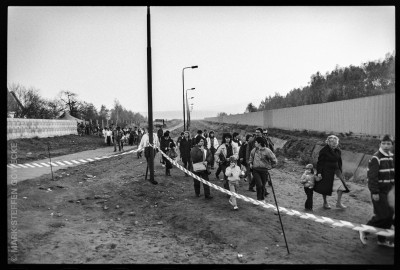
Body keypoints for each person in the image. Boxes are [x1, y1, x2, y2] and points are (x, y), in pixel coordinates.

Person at [359, 134, 395, 248]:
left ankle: (382, 239)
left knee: (390, 216)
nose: (385, 146)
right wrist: (374, 192)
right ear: (380, 144)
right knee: (382, 215)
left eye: (388, 143)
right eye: (383, 143)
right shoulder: (376, 158)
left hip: (390, 192)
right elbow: (372, 177)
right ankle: (364, 230)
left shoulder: (392, 157)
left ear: (392, 145)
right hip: (379, 191)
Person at [314, 135, 350, 209]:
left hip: (336, 171)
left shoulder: (338, 150)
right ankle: (325, 203)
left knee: (341, 186)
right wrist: (319, 173)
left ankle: (338, 203)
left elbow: (339, 161)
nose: (335, 145)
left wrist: (340, 171)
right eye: (333, 144)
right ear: (328, 143)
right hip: (326, 171)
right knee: (325, 188)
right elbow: (320, 163)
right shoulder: (324, 151)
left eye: (336, 143)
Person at [248, 137, 277, 203]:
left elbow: (274, 160)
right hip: (255, 170)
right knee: (259, 185)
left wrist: (271, 166)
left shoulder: (267, 151)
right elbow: (251, 157)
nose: (255, 143)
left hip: (264, 171)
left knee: (263, 185)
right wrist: (250, 164)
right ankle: (258, 199)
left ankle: (262, 198)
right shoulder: (254, 150)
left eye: (256, 142)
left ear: (259, 143)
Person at [246, 128, 267, 193]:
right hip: (255, 160)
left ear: (261, 133)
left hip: (263, 160)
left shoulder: (265, 139)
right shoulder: (252, 141)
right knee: (257, 174)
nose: (257, 133)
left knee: (260, 175)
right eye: (256, 132)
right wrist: (248, 160)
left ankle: (251, 186)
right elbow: (248, 150)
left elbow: (268, 148)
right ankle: (264, 190)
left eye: (258, 132)